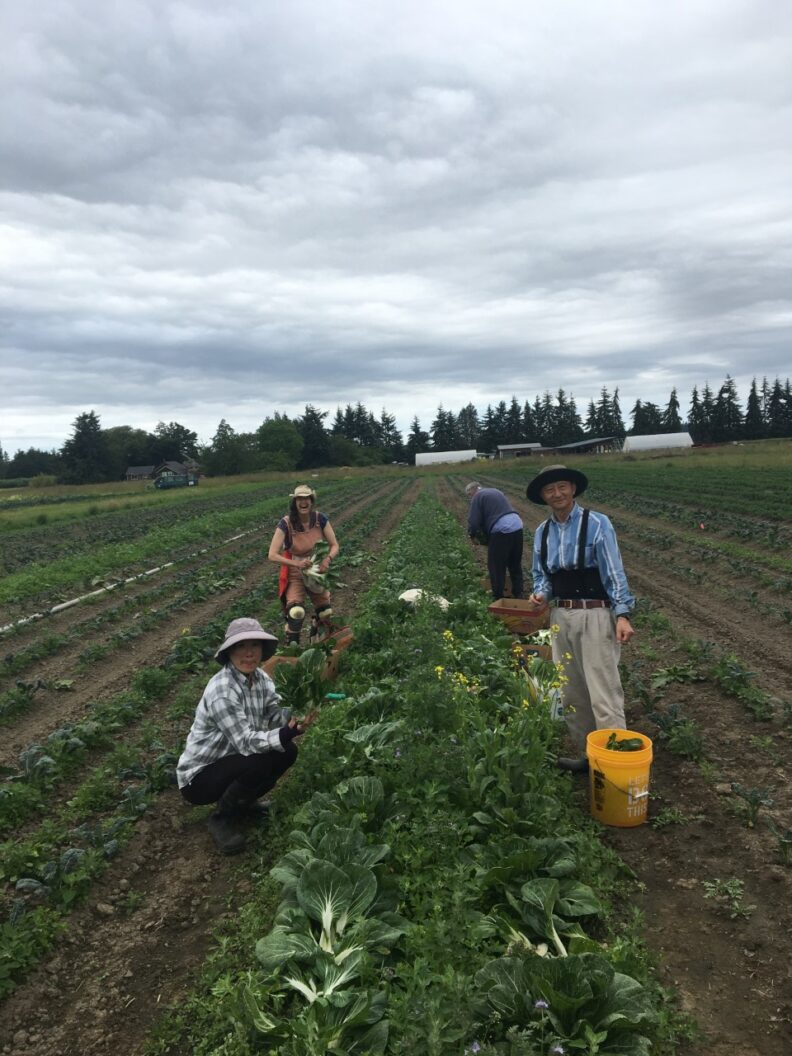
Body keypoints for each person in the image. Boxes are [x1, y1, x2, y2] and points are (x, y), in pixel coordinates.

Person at [526, 464, 635, 773]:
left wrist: (622, 614)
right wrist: (541, 595)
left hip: (596, 613)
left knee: (603, 693)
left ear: (573, 489)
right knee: (571, 692)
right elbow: (542, 576)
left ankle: (615, 765)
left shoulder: (597, 524)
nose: (556, 493)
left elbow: (613, 572)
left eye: (562, 486)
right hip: (562, 615)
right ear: (544, 497)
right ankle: (590, 758)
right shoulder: (542, 532)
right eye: (550, 490)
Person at [177, 617, 316, 854]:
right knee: (259, 760)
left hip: (232, 758)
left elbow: (274, 714)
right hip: (199, 778)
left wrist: (298, 714)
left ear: (262, 650)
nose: (249, 653)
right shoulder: (222, 691)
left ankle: (244, 804)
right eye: (241, 646)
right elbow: (246, 742)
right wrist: (286, 732)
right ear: (229, 652)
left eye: (254, 646)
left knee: (287, 752)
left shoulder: (261, 679)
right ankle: (222, 819)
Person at [268, 484, 340, 644]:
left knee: (325, 613)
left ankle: (318, 641)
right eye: (299, 499)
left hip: (316, 571)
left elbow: (335, 545)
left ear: (311, 501)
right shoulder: (285, 523)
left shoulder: (320, 519)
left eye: (306, 498)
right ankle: (291, 649)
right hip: (295, 572)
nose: (303, 502)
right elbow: (272, 555)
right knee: (296, 612)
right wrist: (295, 563)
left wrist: (327, 560)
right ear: (294, 503)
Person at [465, 481, 525, 600]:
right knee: (515, 563)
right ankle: (519, 593)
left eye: (469, 496)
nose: (470, 499)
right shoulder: (495, 491)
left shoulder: (477, 496)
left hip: (501, 529)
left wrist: (472, 535)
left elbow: (474, 521)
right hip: (517, 525)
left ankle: (498, 597)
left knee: (496, 566)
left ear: (472, 491)